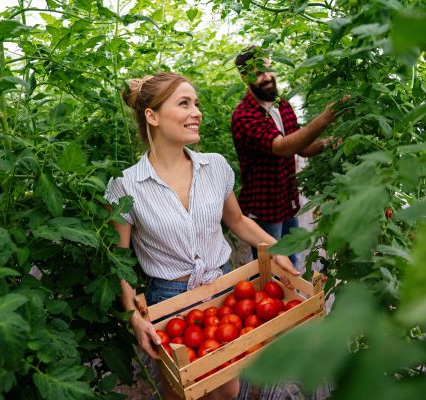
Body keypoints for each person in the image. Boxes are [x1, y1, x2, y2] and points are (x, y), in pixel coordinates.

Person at [104, 72, 300, 400]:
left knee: (226, 388)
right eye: (184, 104)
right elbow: (120, 260)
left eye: (196, 103)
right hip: (169, 302)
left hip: (222, 288)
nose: (197, 112)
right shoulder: (126, 187)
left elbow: (237, 220)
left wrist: (275, 246)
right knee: (182, 392)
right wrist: (133, 317)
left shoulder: (215, 167)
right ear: (152, 116)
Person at [231, 46, 345, 265]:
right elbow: (282, 147)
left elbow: (300, 148)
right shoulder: (244, 115)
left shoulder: (282, 104)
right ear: (244, 77)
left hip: (287, 201)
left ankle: (294, 298)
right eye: (257, 73)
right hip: (263, 210)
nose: (266, 77)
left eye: (268, 69)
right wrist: (325, 118)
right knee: (271, 269)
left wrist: (328, 142)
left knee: (292, 259)